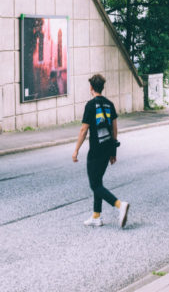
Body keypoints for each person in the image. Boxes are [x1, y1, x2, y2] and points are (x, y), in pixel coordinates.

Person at [72, 73, 130, 228]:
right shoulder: (109, 104)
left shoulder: (90, 105)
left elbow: (84, 130)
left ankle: (120, 205)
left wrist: (76, 150)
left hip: (95, 150)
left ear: (91, 87)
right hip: (107, 148)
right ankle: (96, 216)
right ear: (102, 87)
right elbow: (114, 129)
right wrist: (113, 152)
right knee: (98, 181)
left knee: (95, 185)